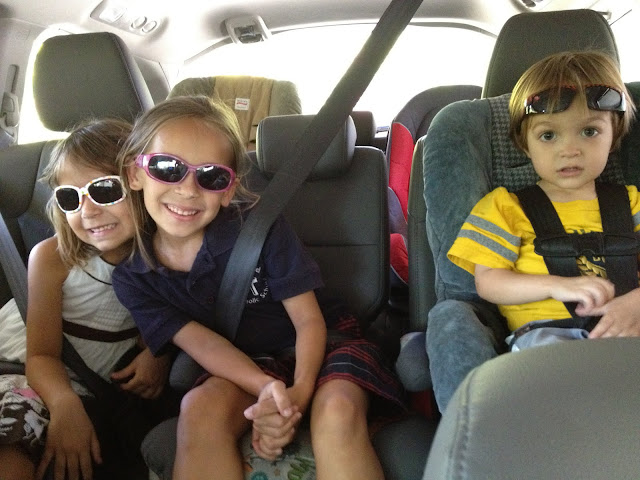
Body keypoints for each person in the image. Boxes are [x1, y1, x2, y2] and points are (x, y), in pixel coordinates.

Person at [111, 95, 406, 480]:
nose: (187, 190)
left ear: (228, 189)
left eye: (211, 177)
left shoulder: (257, 228)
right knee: (198, 410)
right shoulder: (135, 277)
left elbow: (308, 321)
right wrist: (267, 388)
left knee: (337, 411)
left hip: (326, 344)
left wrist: (299, 393)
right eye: (167, 168)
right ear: (135, 173)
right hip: (247, 361)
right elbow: (205, 346)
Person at [432, 50, 640, 410]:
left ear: (614, 134)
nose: (569, 150)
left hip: (628, 331)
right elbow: (489, 282)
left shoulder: (632, 203)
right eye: (548, 135)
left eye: (589, 131)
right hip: (547, 338)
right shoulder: (505, 208)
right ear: (523, 143)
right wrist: (557, 285)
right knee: (557, 399)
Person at [0, 118, 177, 480]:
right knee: (13, 448)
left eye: (105, 190)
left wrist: (159, 353)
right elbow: (40, 355)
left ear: (142, 185)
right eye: (70, 197)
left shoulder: (171, 259)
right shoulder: (53, 259)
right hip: (20, 369)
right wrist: (65, 405)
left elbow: (180, 317)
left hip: (90, 388)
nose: (88, 210)